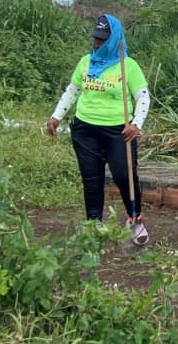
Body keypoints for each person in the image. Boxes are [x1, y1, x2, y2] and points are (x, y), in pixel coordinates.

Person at [47, 14, 151, 245]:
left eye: (103, 39)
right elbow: (73, 90)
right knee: (91, 179)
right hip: (85, 129)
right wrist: (56, 116)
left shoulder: (128, 66)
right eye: (96, 38)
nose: (97, 43)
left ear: (114, 40)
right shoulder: (86, 62)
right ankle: (93, 225)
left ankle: (135, 220)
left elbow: (142, 97)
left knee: (125, 177)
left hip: (118, 131)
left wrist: (136, 124)